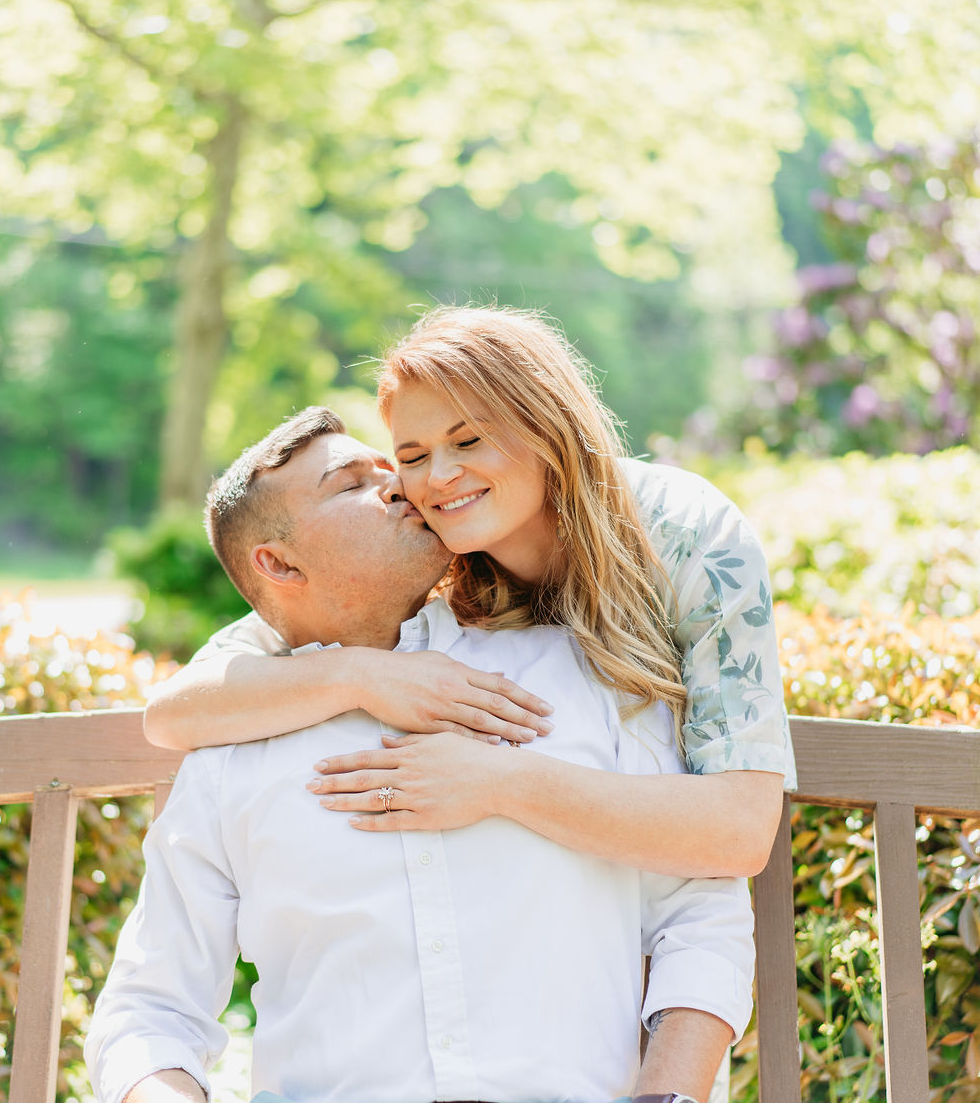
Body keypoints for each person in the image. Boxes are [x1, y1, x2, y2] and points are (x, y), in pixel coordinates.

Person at [16, 410, 843, 1103]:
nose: (405, 485)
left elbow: (696, 914)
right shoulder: (232, 743)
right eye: (355, 483)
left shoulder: (583, 676)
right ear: (279, 561)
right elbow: (148, 1008)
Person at [143, 306, 793, 884]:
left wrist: (499, 783)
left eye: (468, 440)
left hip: (668, 921)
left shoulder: (687, 536)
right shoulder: (430, 554)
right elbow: (175, 710)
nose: (437, 479)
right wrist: (359, 675)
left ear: (546, 425)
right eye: (414, 455)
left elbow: (740, 827)